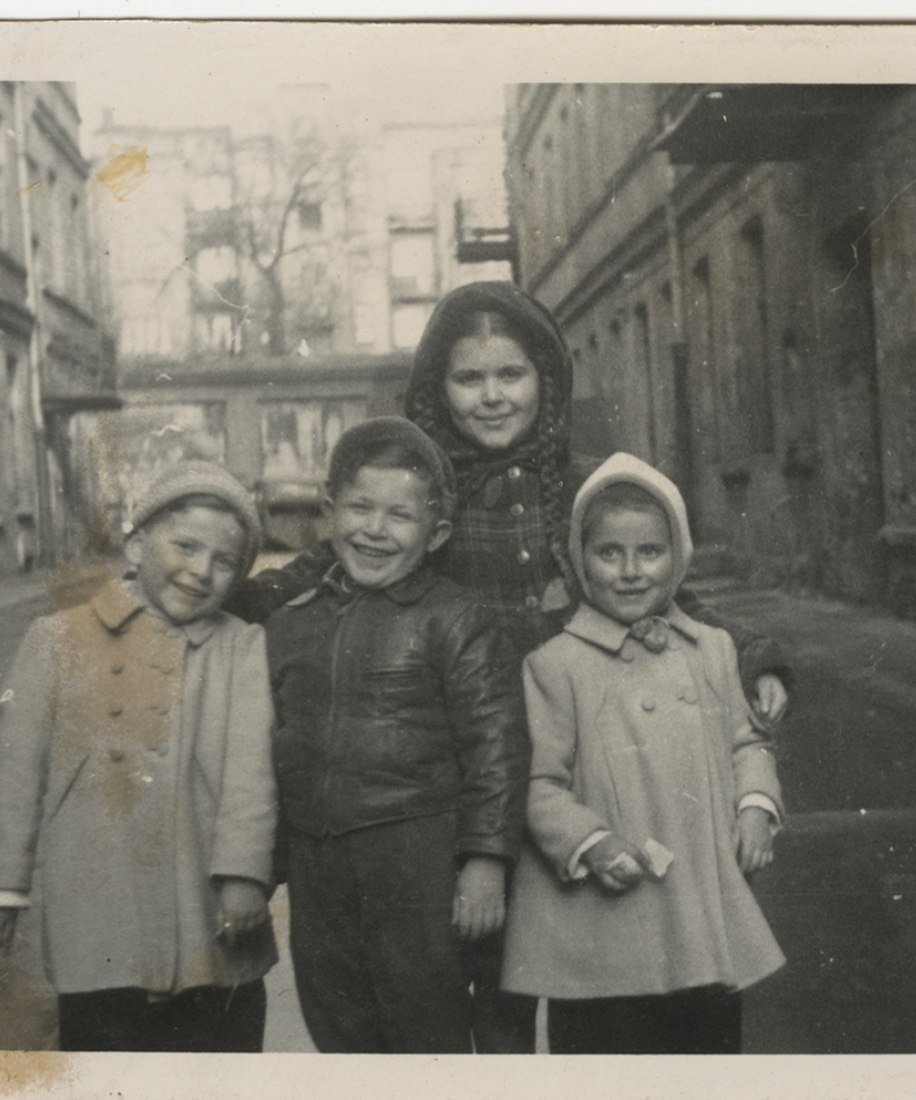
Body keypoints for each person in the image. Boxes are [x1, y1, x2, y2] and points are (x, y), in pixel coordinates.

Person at [229, 280, 791, 725]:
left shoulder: (588, 487)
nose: (493, 396)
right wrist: (226, 595)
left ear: (544, 379)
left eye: (511, 374)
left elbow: (661, 590)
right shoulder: (423, 492)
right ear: (438, 388)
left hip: (587, 737)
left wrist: (752, 657)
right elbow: (326, 564)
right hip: (464, 744)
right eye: (469, 379)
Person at [0, 461, 278, 1052]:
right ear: (136, 545)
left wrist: (243, 875)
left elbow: (250, 772)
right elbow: (15, 770)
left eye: (224, 562)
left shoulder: (240, 646)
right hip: (97, 897)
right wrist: (1, 883)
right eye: (184, 546)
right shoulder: (57, 639)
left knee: (220, 1054)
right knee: (103, 1049)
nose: (200, 571)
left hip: (207, 903)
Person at [501, 453, 785, 1055]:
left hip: (699, 909)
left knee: (707, 1053)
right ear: (581, 560)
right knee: (608, 1060)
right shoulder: (556, 665)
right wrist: (590, 841)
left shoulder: (710, 647)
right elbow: (538, 783)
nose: (631, 572)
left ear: (677, 557)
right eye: (609, 554)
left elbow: (747, 741)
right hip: (603, 923)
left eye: (650, 553)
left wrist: (755, 807)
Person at [263, 416, 530, 1054]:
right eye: (358, 507)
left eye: (399, 516)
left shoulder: (455, 619)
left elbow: (496, 746)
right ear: (328, 514)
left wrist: (486, 864)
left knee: (424, 1024)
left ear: (436, 534)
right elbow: (269, 748)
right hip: (319, 864)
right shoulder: (291, 624)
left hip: (418, 862)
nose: (374, 530)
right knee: (336, 1018)